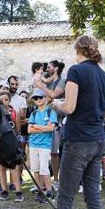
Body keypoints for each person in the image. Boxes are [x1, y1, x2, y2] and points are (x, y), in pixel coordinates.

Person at [22, 35, 105, 209]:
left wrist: (55, 105)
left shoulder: (76, 71)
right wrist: (90, 109)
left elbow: (69, 106)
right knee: (93, 197)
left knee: (65, 198)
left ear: (78, 49)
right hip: (98, 140)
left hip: (78, 140)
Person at [34, 60, 66, 188]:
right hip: (43, 120)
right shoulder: (45, 81)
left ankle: (57, 180)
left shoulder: (62, 82)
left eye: (49, 67)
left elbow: (53, 95)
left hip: (57, 122)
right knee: (41, 152)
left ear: (56, 69)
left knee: (55, 153)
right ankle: (41, 183)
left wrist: (41, 87)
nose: (47, 69)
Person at [27, 88, 58, 203]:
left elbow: (51, 129)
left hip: (45, 145)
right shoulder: (33, 113)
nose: (38, 100)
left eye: (40, 97)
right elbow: (29, 130)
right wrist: (44, 128)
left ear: (45, 99)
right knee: (35, 168)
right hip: (33, 144)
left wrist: (36, 126)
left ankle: (49, 191)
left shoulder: (51, 112)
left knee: (44, 168)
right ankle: (40, 191)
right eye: (35, 98)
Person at [0, 90, 23, 202]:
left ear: (9, 100)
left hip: (11, 143)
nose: (3, 102)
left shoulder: (14, 113)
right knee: (1, 168)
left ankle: (18, 191)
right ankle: (4, 190)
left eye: (6, 99)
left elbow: (18, 130)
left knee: (14, 167)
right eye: (1, 100)